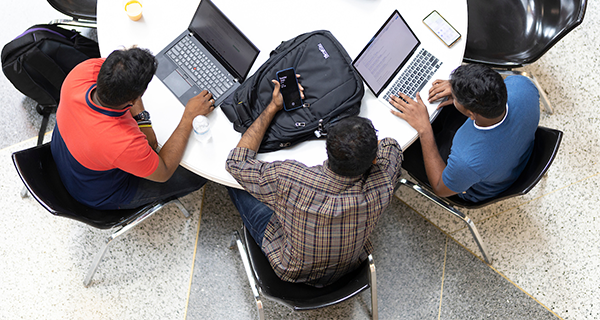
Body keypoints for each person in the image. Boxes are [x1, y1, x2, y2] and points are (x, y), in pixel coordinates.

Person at [225, 77, 403, 287]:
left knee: (232, 182)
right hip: (348, 266)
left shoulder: (290, 177)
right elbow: (391, 146)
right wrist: (367, 148)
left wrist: (273, 106)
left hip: (290, 268)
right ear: (372, 160)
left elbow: (236, 162)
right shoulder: (384, 183)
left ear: (327, 149)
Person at [51, 47, 215, 210]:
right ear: (136, 97)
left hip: (67, 158)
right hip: (98, 192)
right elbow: (164, 170)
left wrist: (143, 121)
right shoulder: (122, 142)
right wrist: (189, 117)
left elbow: (122, 81)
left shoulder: (83, 71)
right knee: (196, 176)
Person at [389, 64, 539, 203]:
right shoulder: (523, 85)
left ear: (471, 113)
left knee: (402, 147)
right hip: (509, 153)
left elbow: (439, 187)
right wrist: (459, 86)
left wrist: (424, 130)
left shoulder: (467, 162)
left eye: (456, 97)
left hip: (471, 183)